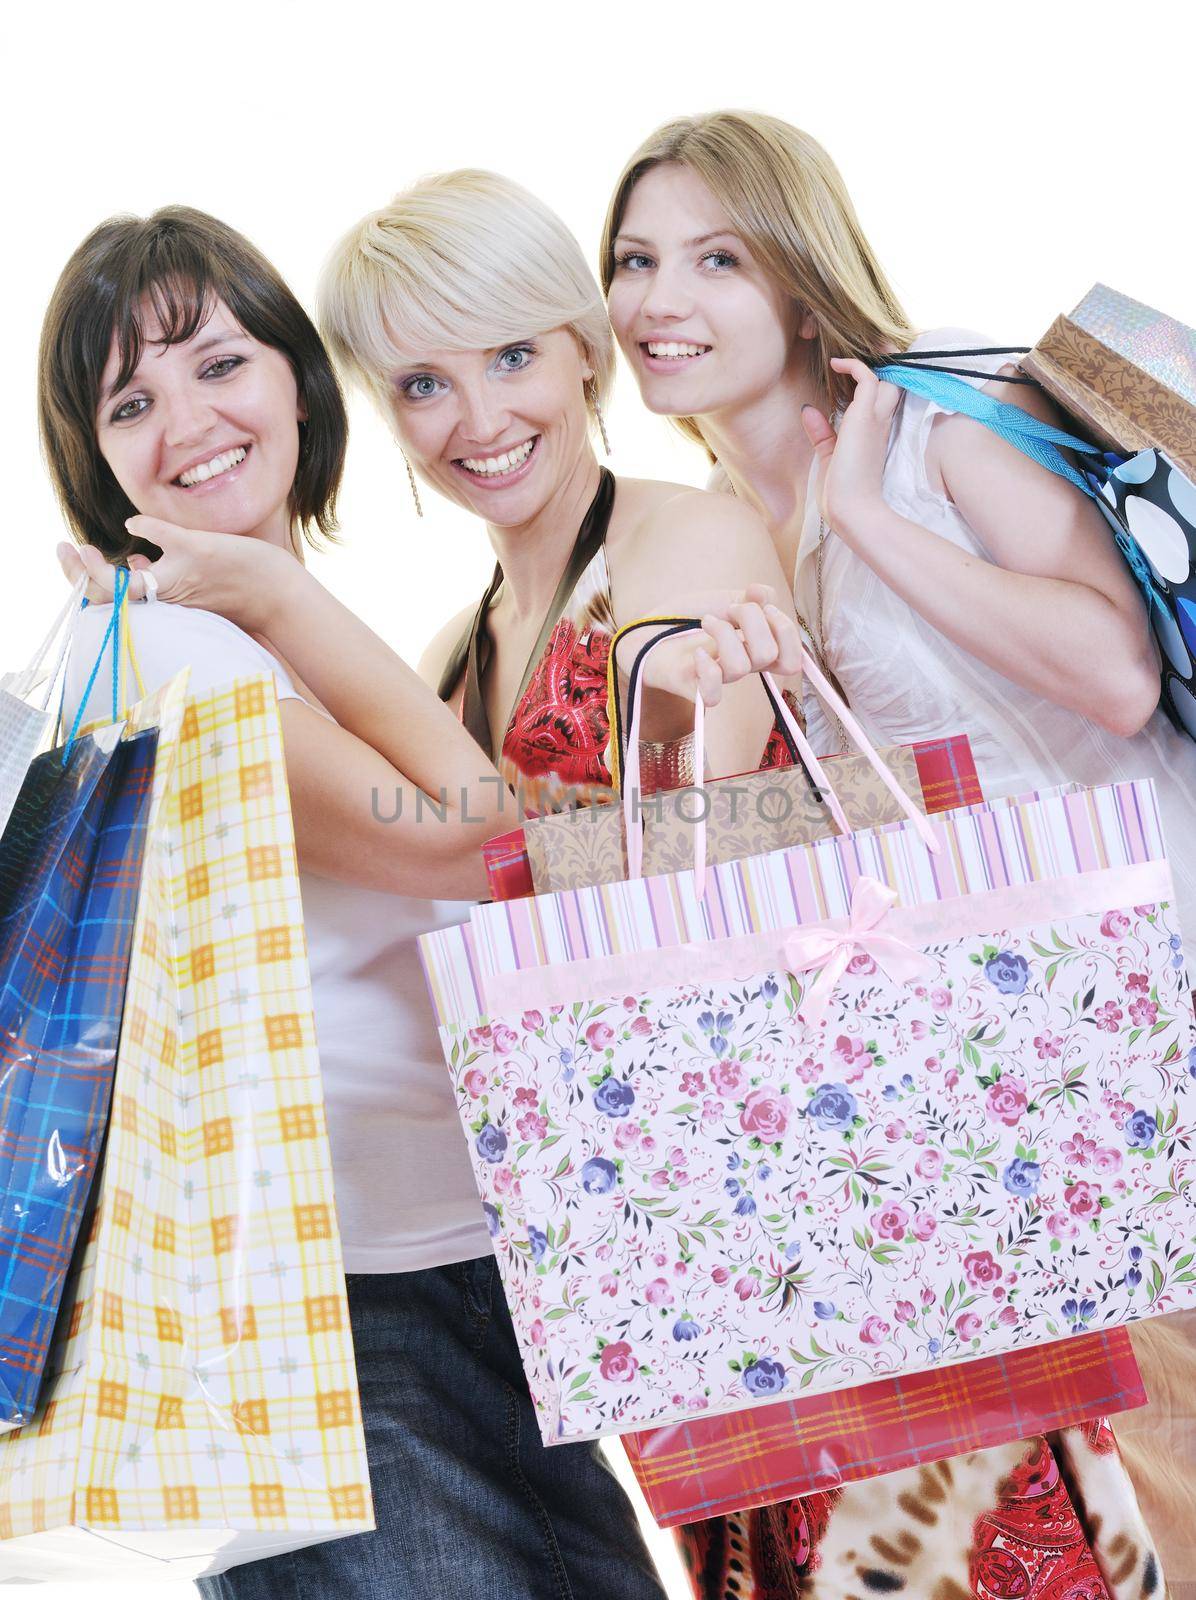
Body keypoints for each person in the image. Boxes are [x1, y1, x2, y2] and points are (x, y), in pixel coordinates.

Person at [49, 203, 797, 1600]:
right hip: (348, 1304)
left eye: (222, 365)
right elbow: (482, 848)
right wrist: (278, 599)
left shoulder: (310, 641)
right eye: (130, 401)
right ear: (95, 460)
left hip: (464, 1271)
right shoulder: (181, 653)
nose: (191, 421)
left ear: (293, 380)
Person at [599, 109, 1184, 1599]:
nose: (664, 299)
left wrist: (862, 506)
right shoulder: (730, 533)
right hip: (1034, 1085)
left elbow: (1112, 676)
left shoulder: (938, 413)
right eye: (636, 260)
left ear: (800, 277)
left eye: (716, 257)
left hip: (1160, 1011)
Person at [316, 169, 807, 820]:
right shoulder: (447, 659)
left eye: (512, 356)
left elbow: (728, 832)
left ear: (581, 346)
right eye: (424, 384)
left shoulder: (694, 538)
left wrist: (636, 686)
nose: (484, 422)